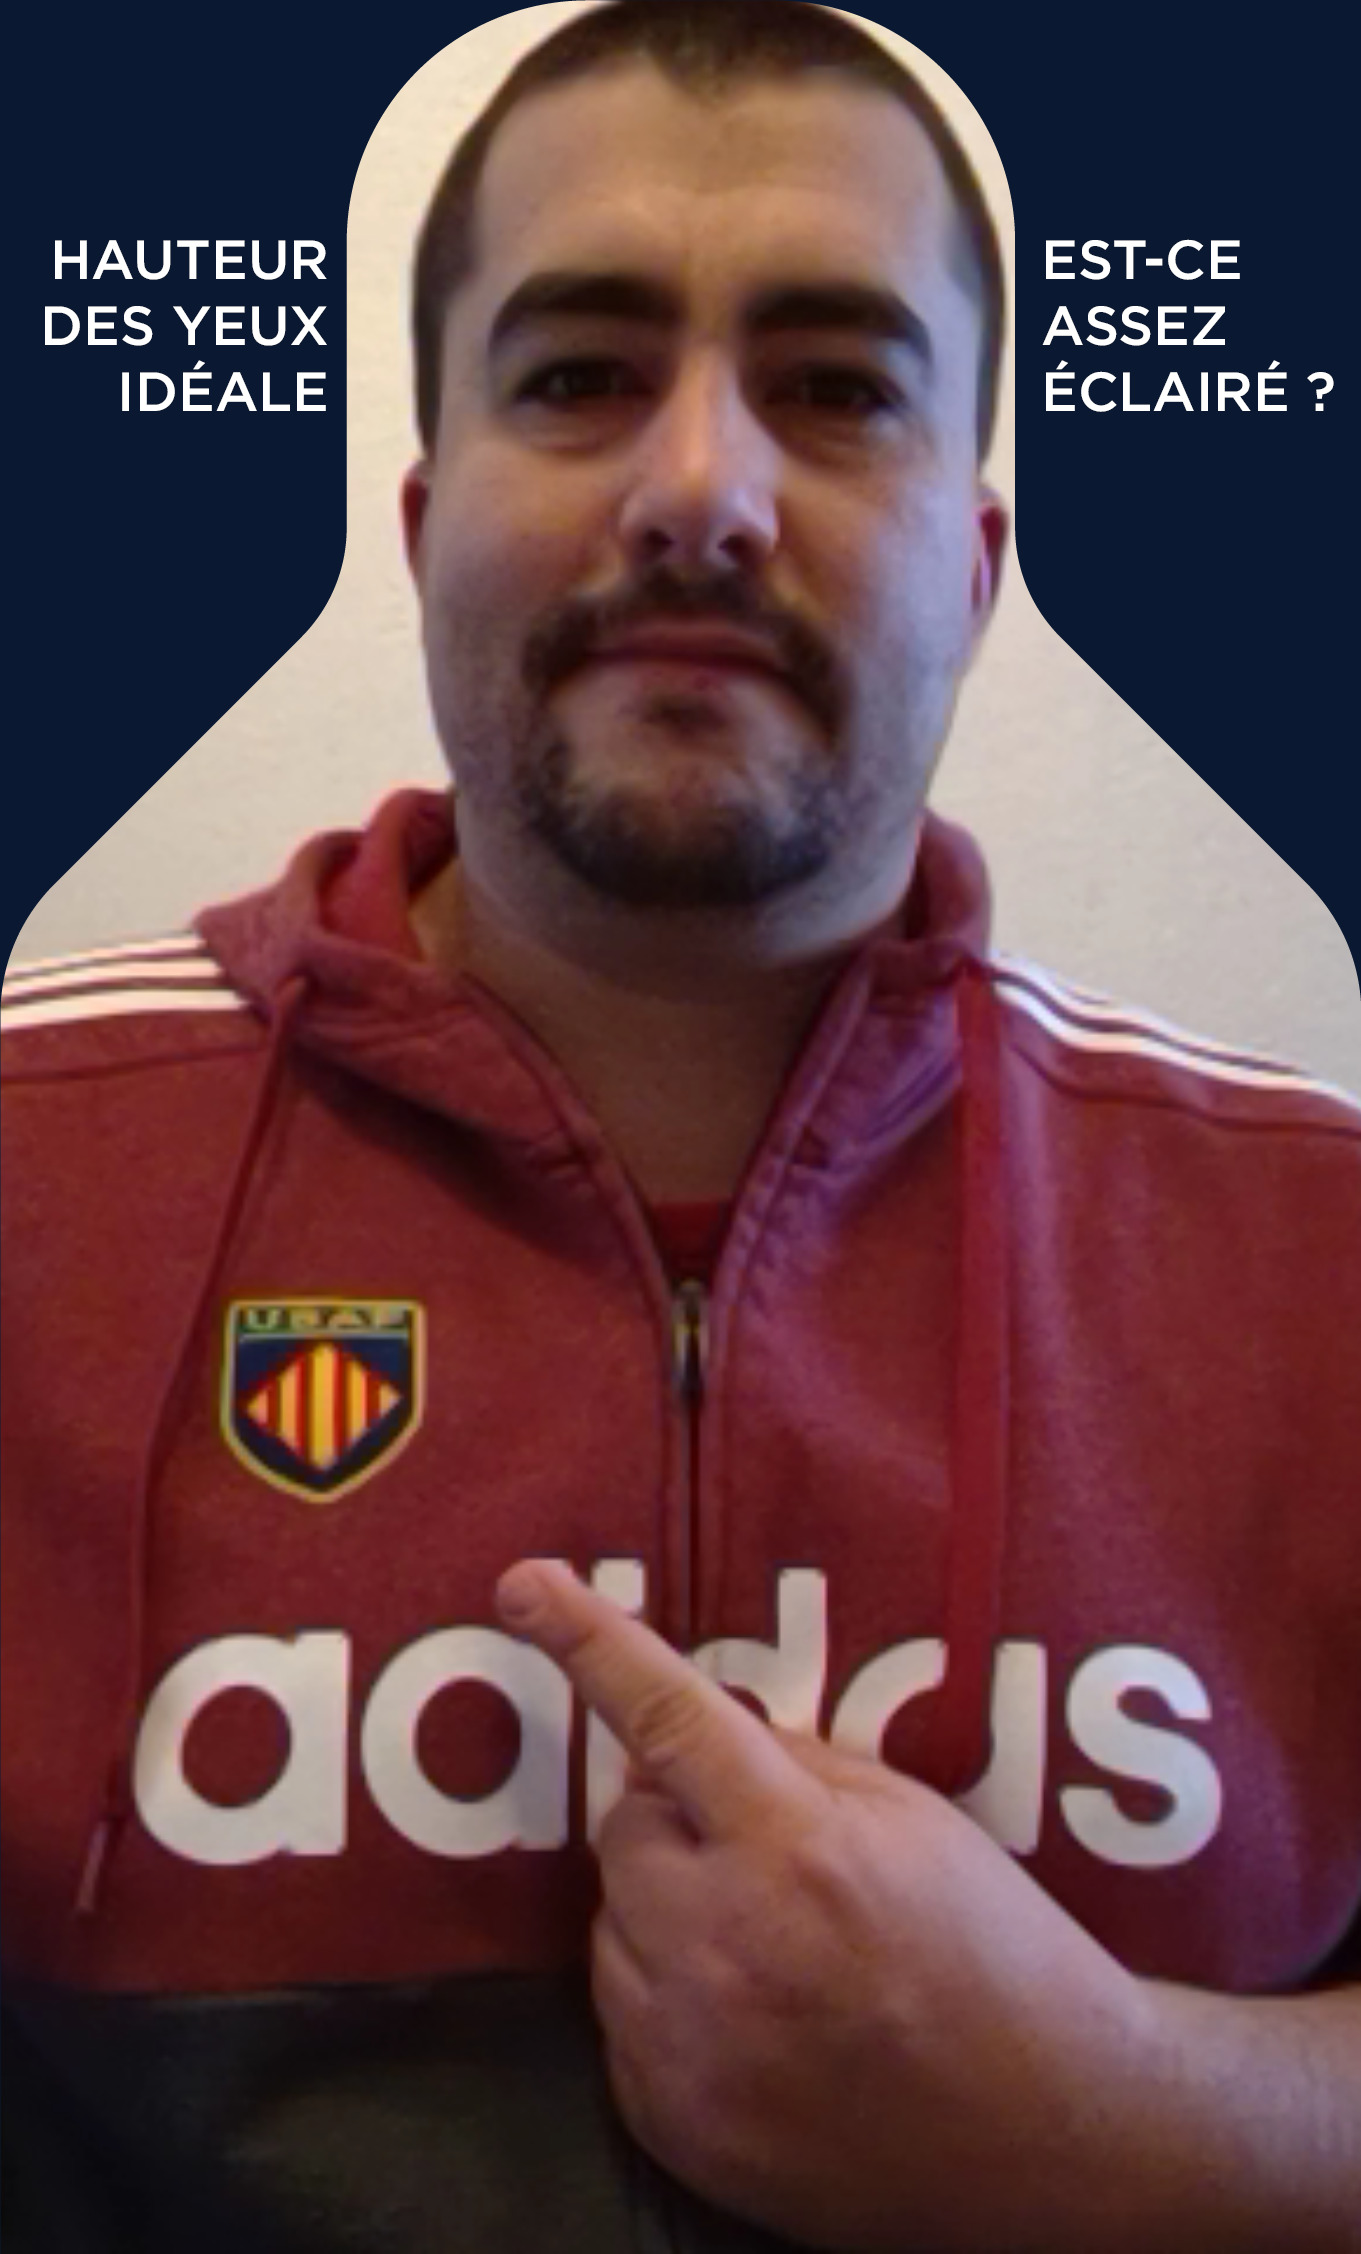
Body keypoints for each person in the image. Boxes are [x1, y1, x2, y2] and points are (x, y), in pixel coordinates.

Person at [3, 4, 1358, 2249]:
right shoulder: (32, 1172)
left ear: (977, 565)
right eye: (578, 374)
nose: (701, 486)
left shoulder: (1314, 1240)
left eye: (833, 386)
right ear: (425, 528)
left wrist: (1130, 2113)